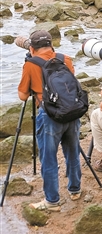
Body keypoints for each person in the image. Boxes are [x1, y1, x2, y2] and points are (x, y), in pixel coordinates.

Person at [17, 30, 80, 211]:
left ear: (31, 48)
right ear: (52, 45)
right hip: (71, 111)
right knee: (73, 152)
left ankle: (52, 201)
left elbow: (22, 96)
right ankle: (75, 189)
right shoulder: (65, 59)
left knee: (49, 158)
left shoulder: (31, 65)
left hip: (49, 116)